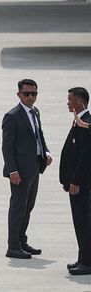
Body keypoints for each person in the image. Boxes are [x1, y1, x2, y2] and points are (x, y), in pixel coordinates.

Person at [2, 79, 51, 259]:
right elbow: (7, 147)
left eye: (34, 93)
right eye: (27, 93)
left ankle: (21, 241)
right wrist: (12, 170)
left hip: (34, 166)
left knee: (28, 206)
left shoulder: (34, 112)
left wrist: (45, 152)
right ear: (19, 94)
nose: (31, 97)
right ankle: (13, 246)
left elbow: (39, 135)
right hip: (20, 171)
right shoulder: (12, 116)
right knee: (18, 207)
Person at [61, 87, 91, 275]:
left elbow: (85, 157)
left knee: (83, 223)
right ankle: (83, 258)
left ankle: (87, 262)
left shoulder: (86, 123)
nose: (67, 102)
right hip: (77, 183)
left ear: (79, 101)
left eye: (70, 99)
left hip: (81, 184)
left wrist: (76, 180)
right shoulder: (80, 122)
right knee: (79, 223)